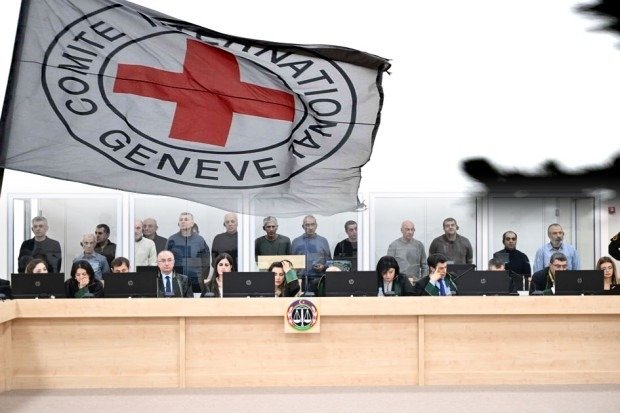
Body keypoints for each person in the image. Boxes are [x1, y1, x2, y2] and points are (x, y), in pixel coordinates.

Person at [165, 212, 210, 293]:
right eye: (181, 220)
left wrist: (202, 279)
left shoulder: (200, 240)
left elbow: (206, 262)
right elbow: (166, 261)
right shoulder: (172, 239)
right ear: (178, 223)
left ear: (192, 223)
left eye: (186, 219)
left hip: (196, 281)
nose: (183, 221)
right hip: (177, 281)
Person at [291, 215, 331, 293]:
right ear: (303, 226)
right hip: (301, 280)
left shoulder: (323, 241)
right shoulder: (296, 242)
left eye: (312, 224)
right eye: (307, 225)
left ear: (316, 225)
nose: (310, 227)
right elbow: (291, 264)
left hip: (318, 279)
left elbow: (329, 261)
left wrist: (323, 266)